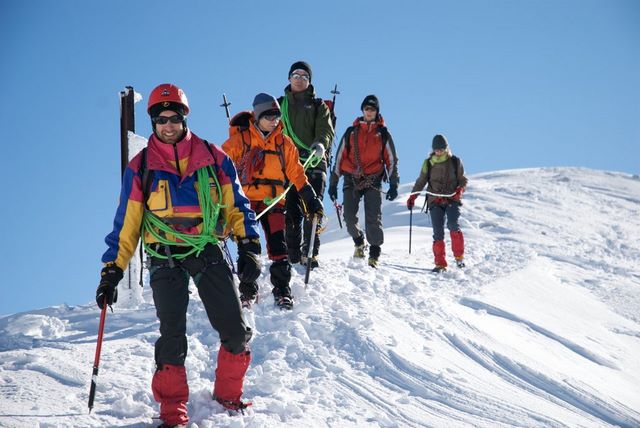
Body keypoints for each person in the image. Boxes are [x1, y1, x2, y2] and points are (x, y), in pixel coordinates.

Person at [96, 83, 262, 426]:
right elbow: (126, 224)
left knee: (233, 327)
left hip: (207, 248)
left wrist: (248, 245)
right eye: (161, 119)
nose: (168, 125)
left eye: (174, 118)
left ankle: (228, 395)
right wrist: (112, 270)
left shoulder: (214, 158)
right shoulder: (141, 167)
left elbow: (237, 206)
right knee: (172, 333)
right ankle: (173, 410)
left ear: (184, 118)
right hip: (163, 255)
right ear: (153, 122)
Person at [222, 93, 324, 310]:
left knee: (279, 245)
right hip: (245, 202)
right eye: (268, 116)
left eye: (276, 115)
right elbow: (220, 166)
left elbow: (297, 173)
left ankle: (282, 289)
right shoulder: (240, 141)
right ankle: (248, 289)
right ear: (257, 116)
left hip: (273, 201)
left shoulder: (284, 143)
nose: (274, 120)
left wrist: (310, 198)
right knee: (248, 247)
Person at [328, 95, 399, 268]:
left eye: (372, 109)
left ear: (377, 112)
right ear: (362, 110)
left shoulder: (383, 134)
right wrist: (333, 183)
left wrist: (394, 183)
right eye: (367, 108)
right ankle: (359, 241)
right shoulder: (351, 132)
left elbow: (391, 159)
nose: (369, 112)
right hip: (351, 179)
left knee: (373, 218)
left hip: (373, 180)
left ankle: (374, 253)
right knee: (349, 217)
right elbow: (339, 159)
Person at [279, 61, 335, 269]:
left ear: (309, 81)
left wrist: (320, 143)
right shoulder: (278, 106)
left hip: (314, 162)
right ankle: (292, 257)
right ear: (289, 78)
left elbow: (325, 130)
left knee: (313, 208)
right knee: (291, 212)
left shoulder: (318, 106)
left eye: (304, 76)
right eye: (296, 75)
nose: (300, 79)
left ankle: (310, 253)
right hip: (288, 165)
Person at [406, 134, 468, 272]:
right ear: (433, 149)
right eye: (436, 149)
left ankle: (459, 258)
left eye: (442, 149)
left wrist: (460, 190)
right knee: (438, 233)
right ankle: (440, 264)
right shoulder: (428, 163)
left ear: (447, 148)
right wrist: (413, 197)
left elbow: (463, 179)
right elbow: (421, 181)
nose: (439, 152)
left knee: (453, 225)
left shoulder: (455, 161)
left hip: (452, 199)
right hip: (435, 201)